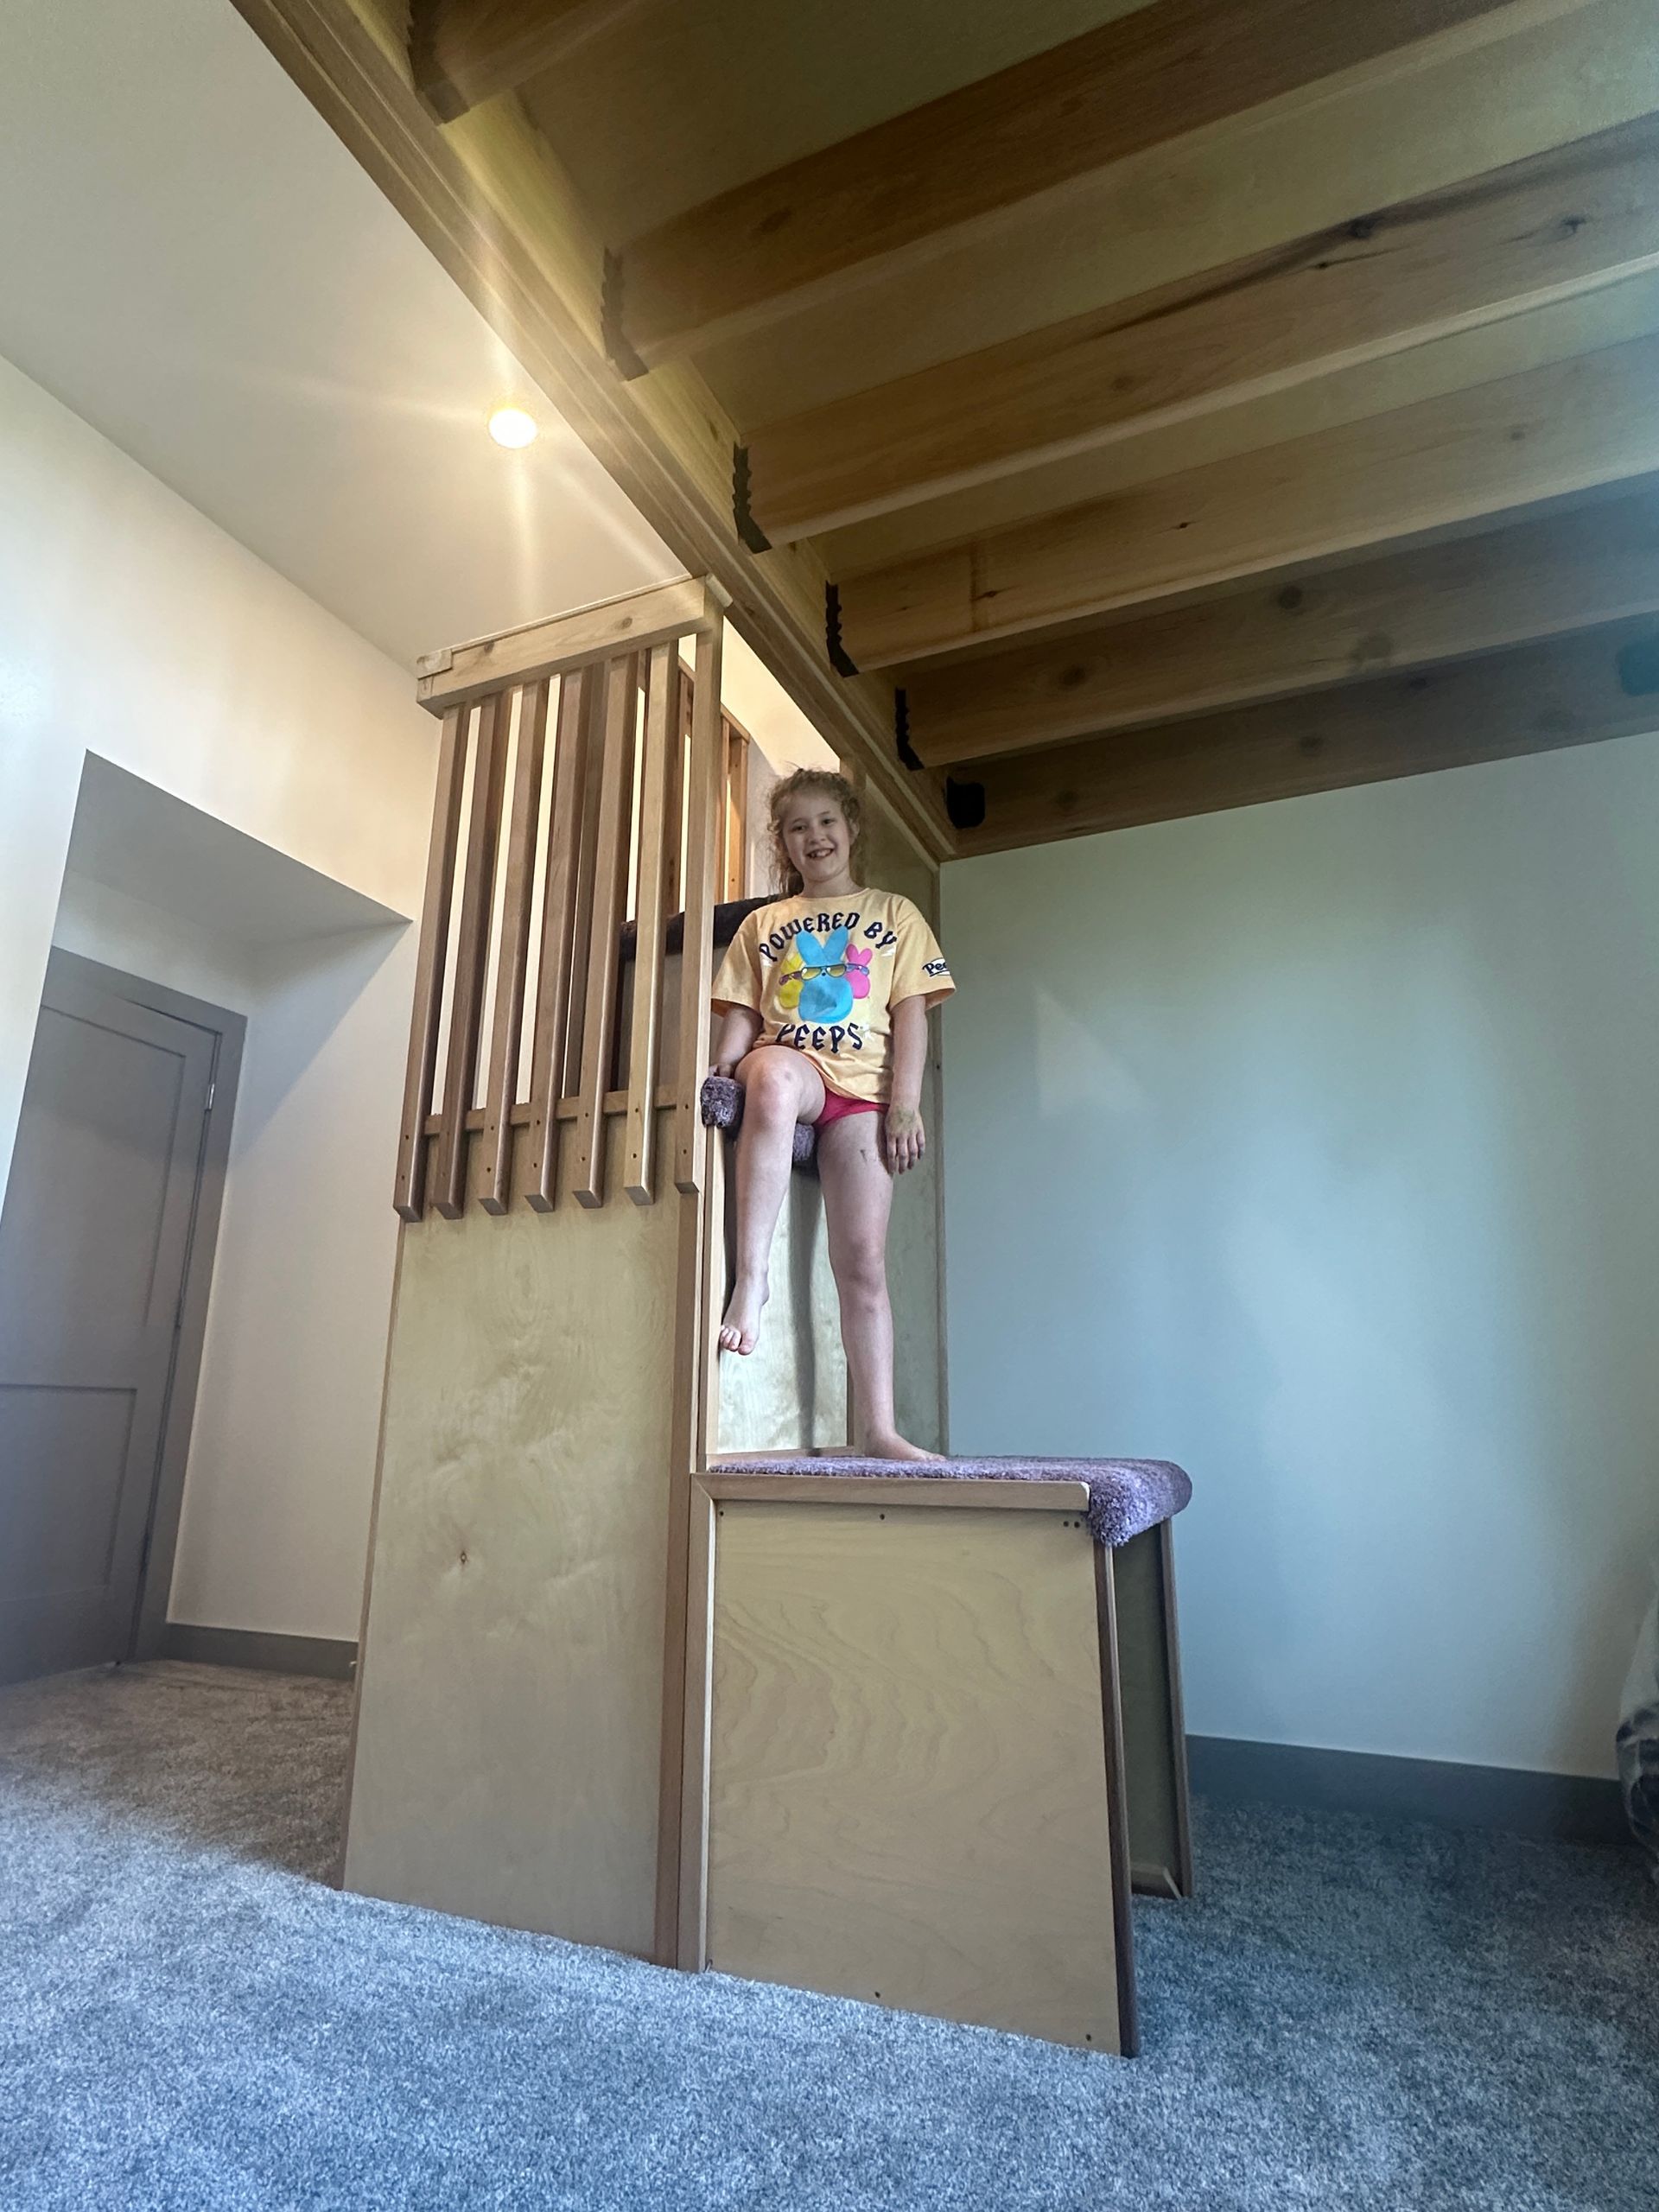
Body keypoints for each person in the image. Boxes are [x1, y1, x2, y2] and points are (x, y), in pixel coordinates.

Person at [709, 767, 954, 1462]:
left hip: (864, 1093)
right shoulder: (764, 923)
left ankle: (877, 1428)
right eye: (797, 827)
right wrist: (723, 1069)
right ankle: (750, 1279)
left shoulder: (894, 914)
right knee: (777, 1079)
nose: (814, 836)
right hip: (791, 1064)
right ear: (782, 845)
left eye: (826, 822)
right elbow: (743, 1008)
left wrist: (904, 1104)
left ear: (850, 829)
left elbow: (911, 1017)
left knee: (863, 1263)